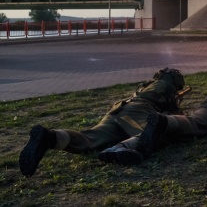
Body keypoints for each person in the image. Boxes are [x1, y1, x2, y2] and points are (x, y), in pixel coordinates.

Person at [18, 68, 186, 177]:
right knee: (157, 132)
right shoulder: (165, 85)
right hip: (138, 110)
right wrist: (176, 105)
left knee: (90, 139)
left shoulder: (144, 86)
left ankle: (51, 137)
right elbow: (171, 116)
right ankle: (118, 150)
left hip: (118, 110)